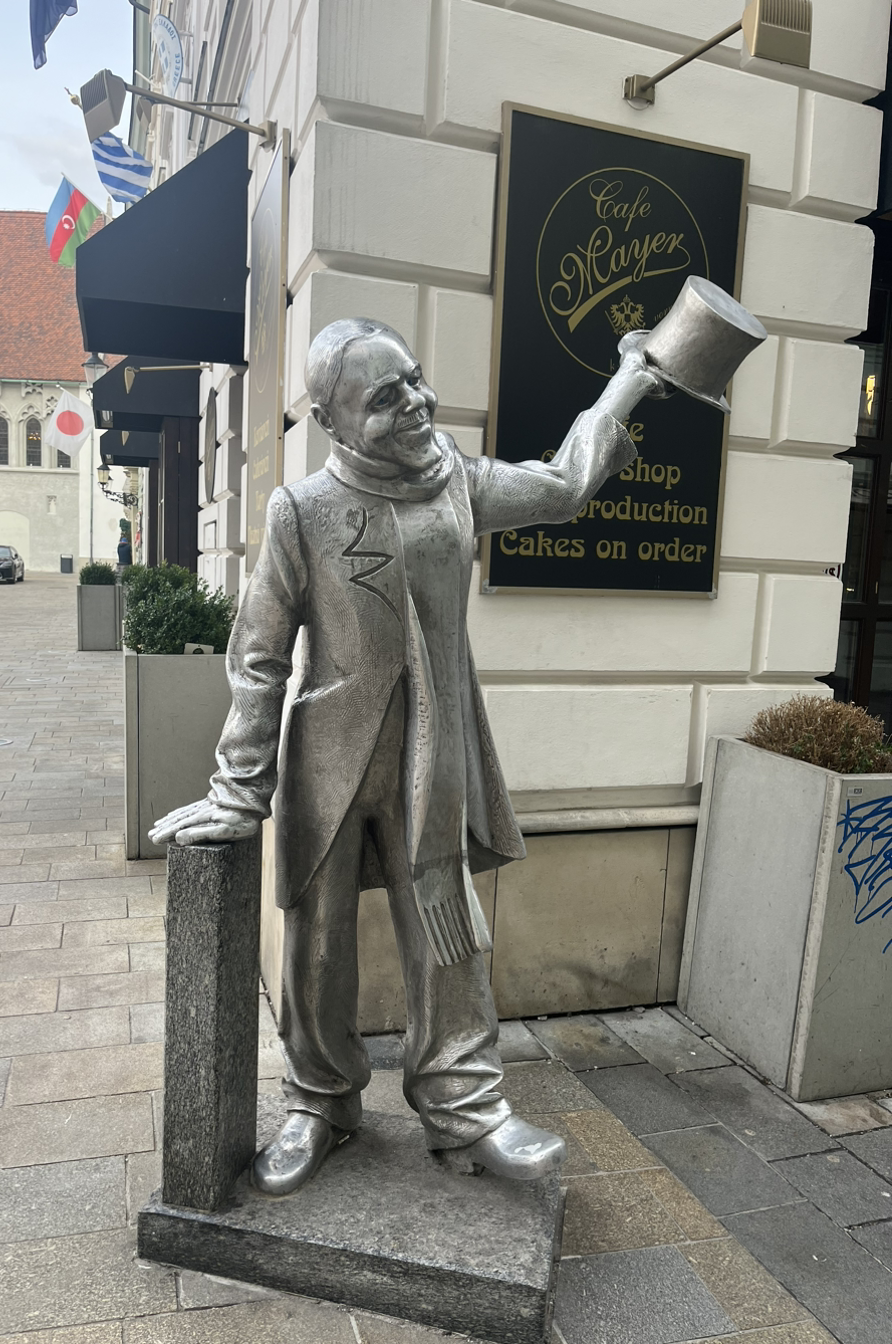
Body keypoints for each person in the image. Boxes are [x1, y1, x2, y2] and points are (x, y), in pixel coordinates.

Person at [151, 318, 663, 1196]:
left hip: (434, 753)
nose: (418, 403)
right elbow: (259, 656)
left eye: (415, 380)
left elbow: (564, 485)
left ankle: (467, 1108)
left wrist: (634, 376)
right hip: (329, 761)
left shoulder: (457, 481)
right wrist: (239, 787)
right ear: (334, 421)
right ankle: (320, 1103)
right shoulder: (301, 511)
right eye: (386, 398)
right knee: (317, 945)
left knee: (446, 928)